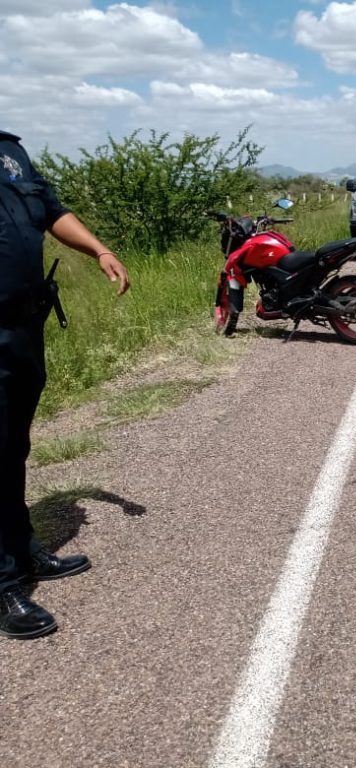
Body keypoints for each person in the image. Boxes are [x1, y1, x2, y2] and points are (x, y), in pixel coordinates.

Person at [0, 129, 130, 639]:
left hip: (24, 327)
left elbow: (50, 210)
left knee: (13, 447)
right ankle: (7, 583)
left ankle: (19, 546)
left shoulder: (11, 150)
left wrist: (99, 250)